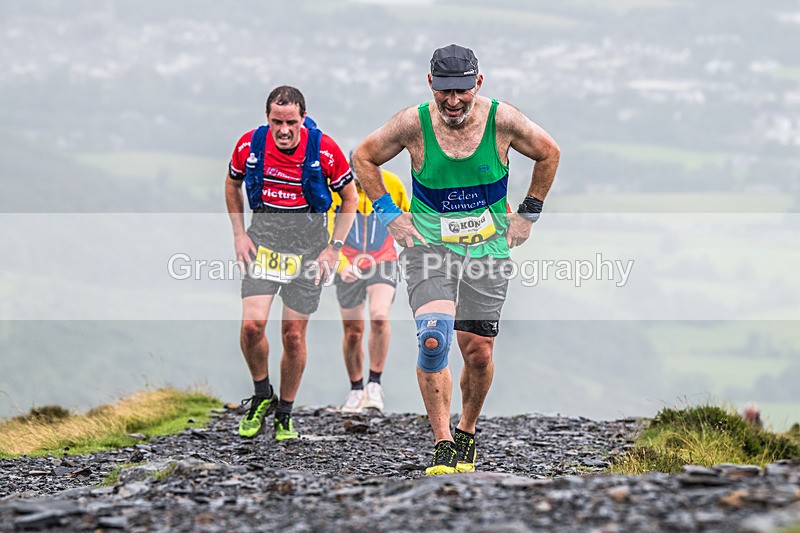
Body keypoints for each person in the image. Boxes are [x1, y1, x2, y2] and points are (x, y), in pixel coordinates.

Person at [352, 44, 560, 474]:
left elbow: (548, 152)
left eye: (462, 91)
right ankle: (443, 442)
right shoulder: (413, 123)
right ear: (431, 84)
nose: (452, 101)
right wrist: (391, 216)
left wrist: (529, 215)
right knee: (434, 339)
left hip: (487, 251)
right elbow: (363, 157)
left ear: (477, 84)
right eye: (444, 91)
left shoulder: (502, 120)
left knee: (478, 352)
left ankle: (466, 429)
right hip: (430, 248)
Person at [225, 85, 357, 441]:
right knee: (253, 326)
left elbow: (350, 197)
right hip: (264, 242)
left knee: (293, 336)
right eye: (276, 121)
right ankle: (260, 394)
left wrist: (334, 248)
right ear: (267, 118)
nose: (284, 129)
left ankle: (284, 411)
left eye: (291, 122)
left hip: (309, 249)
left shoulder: (324, 149)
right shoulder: (249, 145)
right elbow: (232, 183)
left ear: (303, 118)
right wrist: (239, 234)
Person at [328, 156, 410, 413]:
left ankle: (374, 384)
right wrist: (341, 266)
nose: (359, 178)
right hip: (349, 261)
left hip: (382, 258)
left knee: (378, 316)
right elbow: (328, 229)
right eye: (354, 173)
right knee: (353, 331)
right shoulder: (337, 191)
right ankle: (355, 388)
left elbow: (407, 218)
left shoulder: (392, 183)